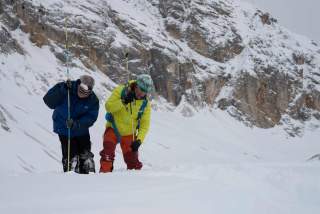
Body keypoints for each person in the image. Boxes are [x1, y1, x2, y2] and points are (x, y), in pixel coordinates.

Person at [43, 75, 99, 174]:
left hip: (81, 129)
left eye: (86, 92)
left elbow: (91, 117)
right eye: (81, 90)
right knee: (70, 153)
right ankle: (71, 169)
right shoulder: (66, 88)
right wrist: (62, 90)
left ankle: (87, 170)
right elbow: (49, 101)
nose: (82, 93)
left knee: (85, 154)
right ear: (78, 84)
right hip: (64, 128)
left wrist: (77, 124)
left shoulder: (93, 100)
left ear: (90, 91)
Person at [99, 74, 154, 173]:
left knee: (133, 162)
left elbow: (144, 126)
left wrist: (139, 140)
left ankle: (133, 181)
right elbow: (108, 107)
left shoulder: (145, 105)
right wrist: (123, 101)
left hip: (129, 133)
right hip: (113, 128)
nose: (141, 93)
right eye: (140, 89)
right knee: (107, 153)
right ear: (136, 85)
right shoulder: (121, 91)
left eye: (145, 91)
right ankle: (104, 174)